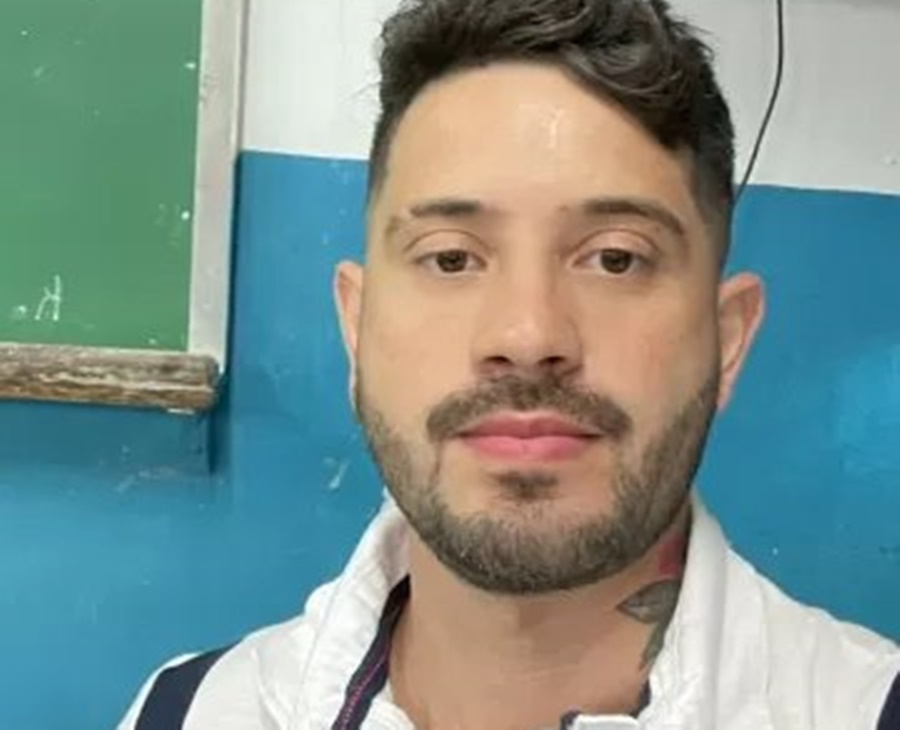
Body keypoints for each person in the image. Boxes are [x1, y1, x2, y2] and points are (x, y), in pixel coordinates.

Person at [119, 0, 900, 728]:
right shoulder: (191, 712)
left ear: (727, 339)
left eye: (616, 259)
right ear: (356, 328)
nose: (527, 335)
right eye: (452, 258)